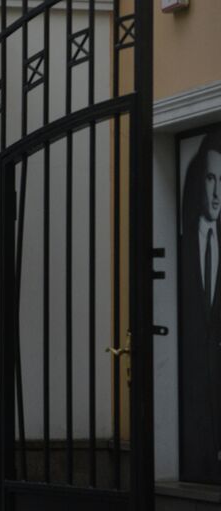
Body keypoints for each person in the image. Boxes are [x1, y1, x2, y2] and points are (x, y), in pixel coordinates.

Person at [180, 129, 221, 483]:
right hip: (189, 389)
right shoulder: (180, 247)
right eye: (211, 179)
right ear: (199, 182)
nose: (218, 192)